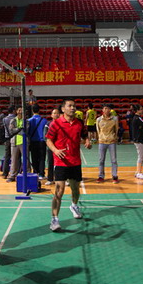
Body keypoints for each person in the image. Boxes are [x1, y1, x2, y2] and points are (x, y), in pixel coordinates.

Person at [46, 98, 91, 232]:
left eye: (74, 106)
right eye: (70, 106)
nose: (73, 108)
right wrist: (55, 150)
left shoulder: (79, 123)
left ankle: (74, 205)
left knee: (75, 190)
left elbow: (84, 135)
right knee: (59, 191)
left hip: (75, 162)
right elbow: (48, 140)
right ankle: (54, 219)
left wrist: (87, 141)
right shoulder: (56, 124)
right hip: (61, 162)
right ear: (63, 109)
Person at [96, 104, 119, 184]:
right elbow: (98, 130)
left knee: (113, 160)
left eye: (108, 108)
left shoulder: (115, 119)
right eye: (105, 108)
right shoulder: (99, 119)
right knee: (101, 160)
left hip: (111, 142)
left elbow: (116, 130)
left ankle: (115, 176)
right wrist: (101, 138)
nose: (107, 110)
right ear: (102, 110)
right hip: (102, 142)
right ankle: (101, 176)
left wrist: (114, 138)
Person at [130, 104, 143, 180]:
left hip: (141, 139)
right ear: (137, 110)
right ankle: (138, 173)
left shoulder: (137, 118)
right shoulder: (137, 118)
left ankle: (137, 172)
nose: (142, 110)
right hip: (139, 140)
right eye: (141, 109)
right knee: (141, 156)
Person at [28, 104, 48, 179]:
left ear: (32, 111)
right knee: (42, 158)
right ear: (39, 110)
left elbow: (28, 132)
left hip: (33, 141)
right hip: (42, 142)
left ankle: (35, 173)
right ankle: (41, 174)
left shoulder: (29, 120)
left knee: (34, 158)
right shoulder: (44, 120)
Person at [6, 107, 25, 182]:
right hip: (14, 142)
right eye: (19, 110)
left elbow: (26, 130)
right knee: (13, 160)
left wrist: (16, 130)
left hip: (23, 142)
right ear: (16, 111)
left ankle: (27, 174)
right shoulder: (13, 120)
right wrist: (20, 129)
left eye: (21, 110)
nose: (20, 111)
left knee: (26, 160)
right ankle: (12, 175)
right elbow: (11, 131)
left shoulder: (26, 121)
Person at [44, 108, 60, 186]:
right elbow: (45, 136)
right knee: (50, 163)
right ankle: (50, 179)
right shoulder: (48, 124)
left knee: (62, 164)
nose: (56, 114)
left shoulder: (62, 124)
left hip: (60, 147)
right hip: (51, 147)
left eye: (57, 113)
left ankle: (63, 179)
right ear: (51, 115)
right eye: (54, 113)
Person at [1, 106, 16, 179]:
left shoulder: (4, 119)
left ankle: (5, 173)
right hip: (14, 138)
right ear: (13, 111)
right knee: (16, 156)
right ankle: (16, 173)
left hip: (7, 139)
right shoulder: (16, 119)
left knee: (7, 156)